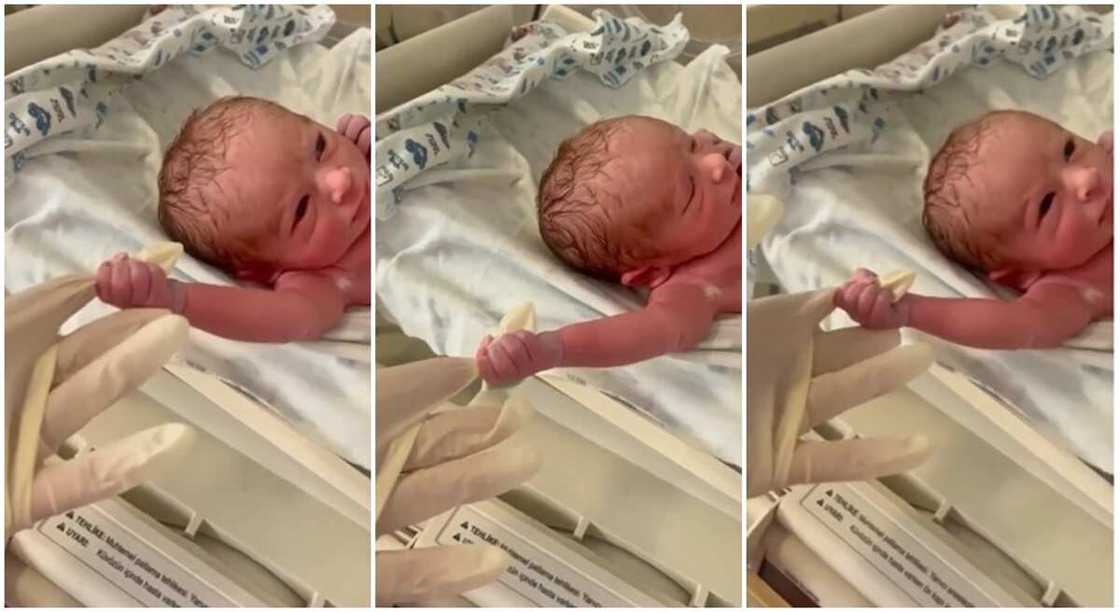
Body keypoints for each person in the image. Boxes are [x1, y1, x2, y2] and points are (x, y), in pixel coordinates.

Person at [475, 115, 742, 384]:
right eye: (692, 190)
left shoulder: (730, 165)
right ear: (651, 274)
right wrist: (551, 350)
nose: (716, 162)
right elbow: (649, 331)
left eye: (692, 144)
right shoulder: (693, 288)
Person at [94, 96, 372, 342]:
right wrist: (174, 299)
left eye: (320, 148)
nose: (341, 179)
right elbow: (290, 319)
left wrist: (368, 147)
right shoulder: (323, 281)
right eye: (302, 210)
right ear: (264, 269)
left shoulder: (359, 164)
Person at [837, 110, 1113, 349]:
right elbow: (1018, 325)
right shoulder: (1074, 288)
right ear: (1021, 273)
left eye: (1068, 150)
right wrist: (911, 310)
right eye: (1047, 205)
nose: (1086, 177)